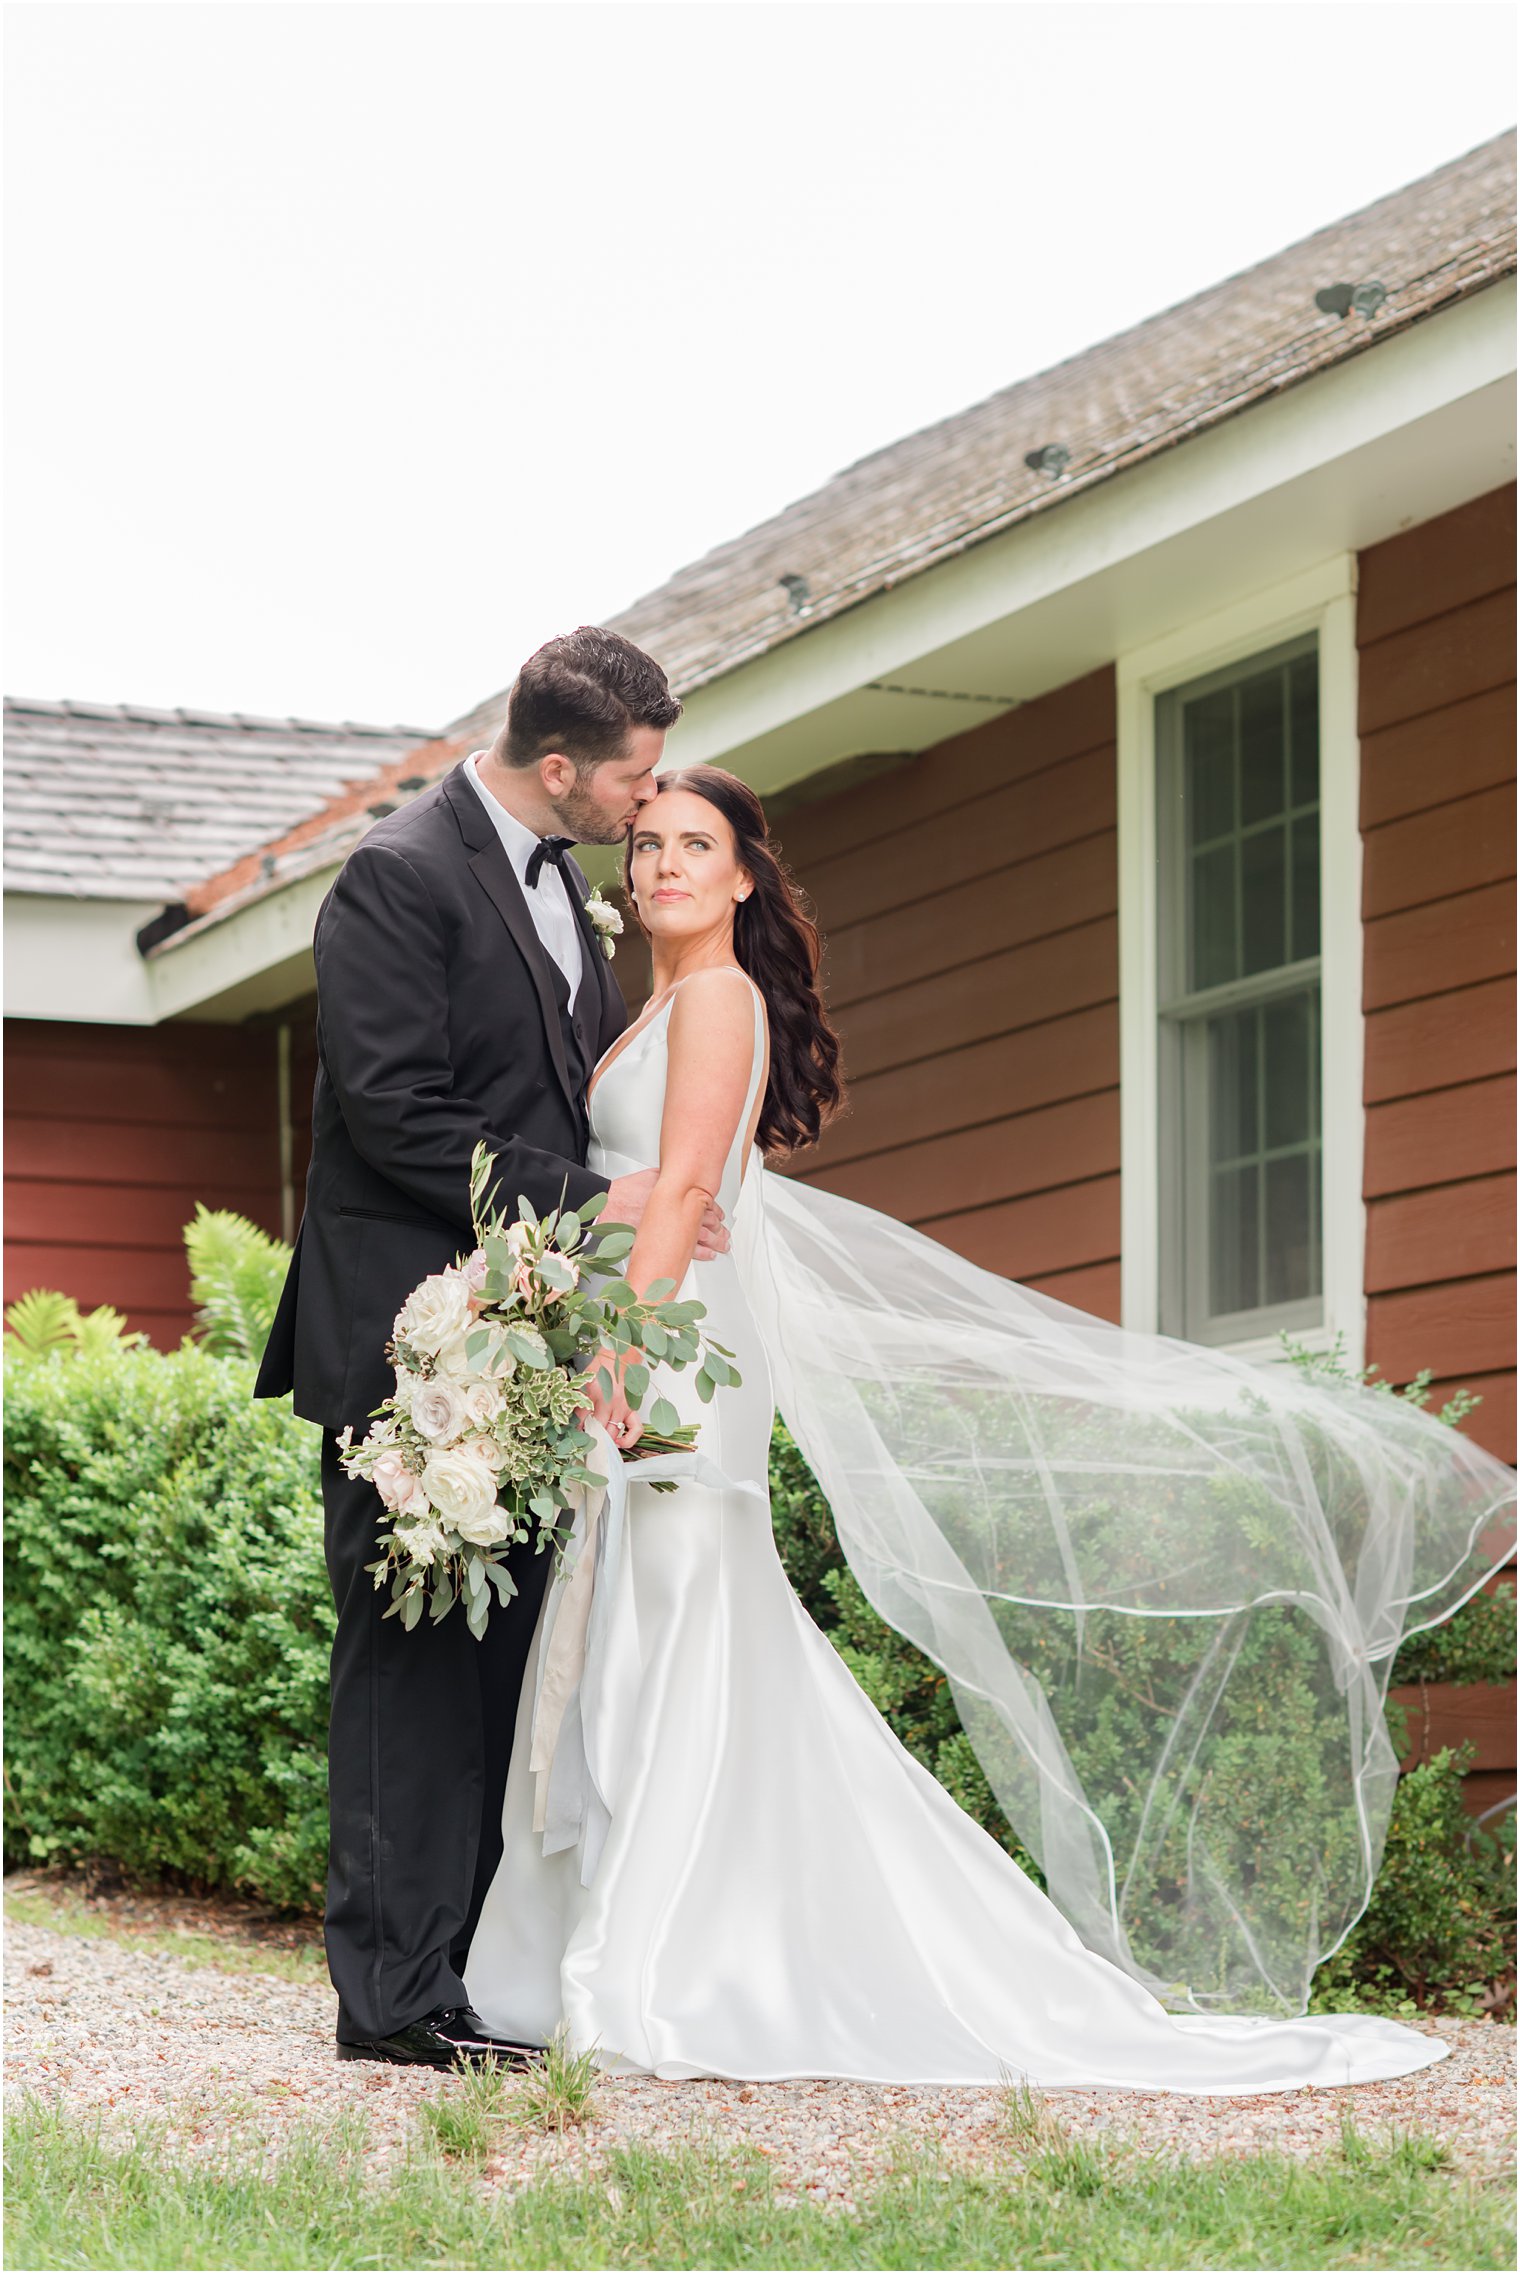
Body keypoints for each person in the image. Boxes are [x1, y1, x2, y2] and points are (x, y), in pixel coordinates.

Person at [463, 763, 1516, 2090]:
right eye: (651, 844)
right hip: (656, 1325)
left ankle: (662, 1961)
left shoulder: (720, 1000)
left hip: (679, 1351)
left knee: (679, 1603)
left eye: (696, 845)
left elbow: (681, 1186)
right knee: (653, 1609)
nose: (664, 864)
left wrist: (621, 1346)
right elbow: (636, 1188)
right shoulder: (660, 1006)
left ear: (742, 876)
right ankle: (644, 1937)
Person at [254, 628, 725, 2069]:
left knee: (501, 1670)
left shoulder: (562, 890)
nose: (647, 809)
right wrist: (600, 1199)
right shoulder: (397, 879)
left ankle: (463, 1985)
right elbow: (395, 1118)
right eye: (634, 780)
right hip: (406, 1345)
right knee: (405, 1673)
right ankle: (390, 2006)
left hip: (518, 1352)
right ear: (563, 765)